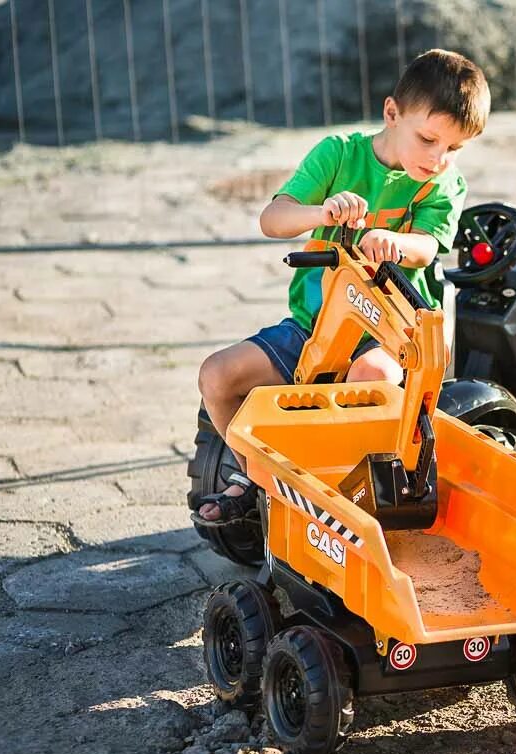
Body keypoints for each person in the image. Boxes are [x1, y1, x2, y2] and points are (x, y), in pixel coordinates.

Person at [193, 48, 490, 526]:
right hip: (314, 327)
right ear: (392, 113)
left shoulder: (442, 186)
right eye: (429, 139)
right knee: (217, 376)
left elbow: (427, 248)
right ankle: (259, 478)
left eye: (453, 149)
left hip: (394, 333)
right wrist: (321, 212)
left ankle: (343, 499)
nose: (438, 159)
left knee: (366, 381)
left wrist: (394, 240)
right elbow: (273, 219)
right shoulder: (338, 155)